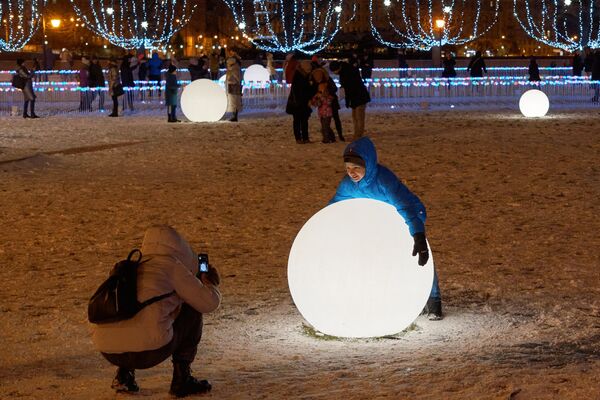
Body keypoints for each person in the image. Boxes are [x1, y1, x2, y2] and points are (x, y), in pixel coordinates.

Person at [91, 225, 222, 397]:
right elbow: (209, 303)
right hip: (149, 352)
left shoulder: (129, 266)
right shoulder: (171, 265)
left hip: (109, 351)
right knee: (192, 308)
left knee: (129, 309)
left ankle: (123, 375)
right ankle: (182, 379)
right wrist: (207, 283)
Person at [329, 137, 442, 320]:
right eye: (348, 168)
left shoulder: (383, 181)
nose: (352, 173)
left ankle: (433, 300)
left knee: (417, 254)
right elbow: (334, 206)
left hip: (410, 214)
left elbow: (405, 207)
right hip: (382, 222)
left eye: (357, 168)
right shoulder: (348, 185)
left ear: (368, 164)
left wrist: (418, 236)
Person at [328, 60, 371, 140]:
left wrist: (348, 100)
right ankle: (357, 134)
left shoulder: (348, 72)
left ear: (338, 68)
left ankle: (358, 135)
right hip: (355, 97)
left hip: (359, 97)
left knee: (359, 117)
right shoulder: (345, 71)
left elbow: (350, 88)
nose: (335, 73)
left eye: (335, 71)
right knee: (355, 117)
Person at [310, 65, 344, 141]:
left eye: (319, 74)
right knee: (324, 122)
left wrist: (327, 93)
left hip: (331, 103)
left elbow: (334, 89)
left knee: (335, 119)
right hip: (322, 106)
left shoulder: (328, 80)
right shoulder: (315, 83)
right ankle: (329, 136)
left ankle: (339, 135)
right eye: (316, 75)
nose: (317, 76)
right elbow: (314, 94)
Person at [286, 60, 315, 144]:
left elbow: (310, 88)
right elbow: (295, 90)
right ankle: (298, 138)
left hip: (305, 102)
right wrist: (298, 101)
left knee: (304, 120)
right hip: (297, 103)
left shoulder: (308, 75)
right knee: (297, 120)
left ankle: (305, 137)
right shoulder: (298, 75)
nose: (309, 69)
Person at [311, 79, 336, 144]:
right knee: (325, 126)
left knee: (325, 127)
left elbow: (328, 102)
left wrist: (322, 97)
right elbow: (315, 103)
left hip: (328, 114)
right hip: (322, 113)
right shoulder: (318, 95)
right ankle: (332, 137)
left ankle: (326, 139)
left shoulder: (329, 97)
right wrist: (316, 100)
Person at [225, 49, 243, 122]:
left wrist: (231, 80)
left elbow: (237, 77)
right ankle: (234, 115)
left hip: (234, 85)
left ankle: (235, 116)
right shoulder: (234, 67)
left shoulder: (233, 68)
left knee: (234, 100)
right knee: (234, 101)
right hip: (233, 85)